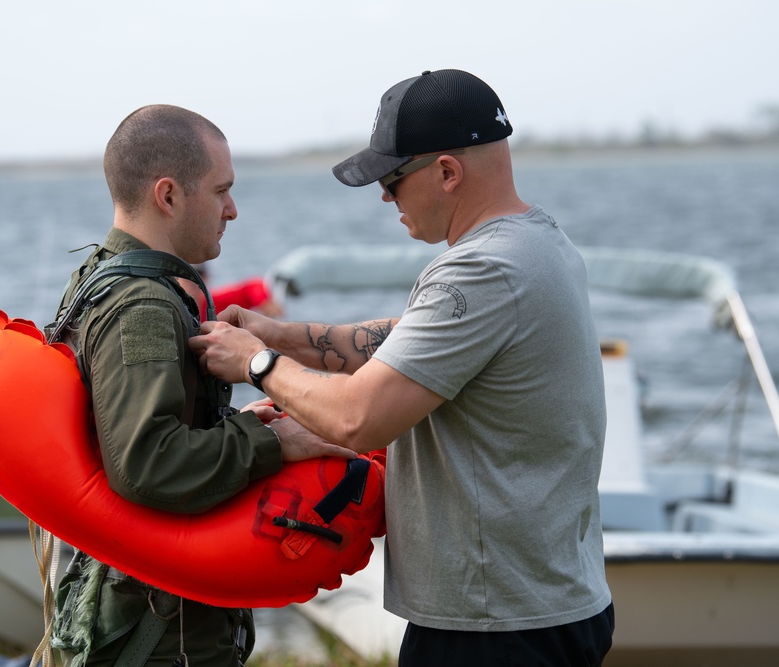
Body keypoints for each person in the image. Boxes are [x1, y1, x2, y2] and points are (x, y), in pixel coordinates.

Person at [190, 69, 614, 665]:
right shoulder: (537, 244)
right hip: (549, 604)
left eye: (391, 178)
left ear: (446, 172)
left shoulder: (481, 272)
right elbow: (412, 341)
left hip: (492, 628)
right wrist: (280, 333)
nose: (385, 196)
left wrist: (256, 362)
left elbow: (358, 419)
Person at [48, 104, 354, 667]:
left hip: (146, 618)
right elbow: (146, 462)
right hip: (157, 638)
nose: (233, 210)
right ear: (167, 195)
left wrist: (248, 422)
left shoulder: (102, 279)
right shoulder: (140, 305)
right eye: (221, 191)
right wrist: (271, 443)